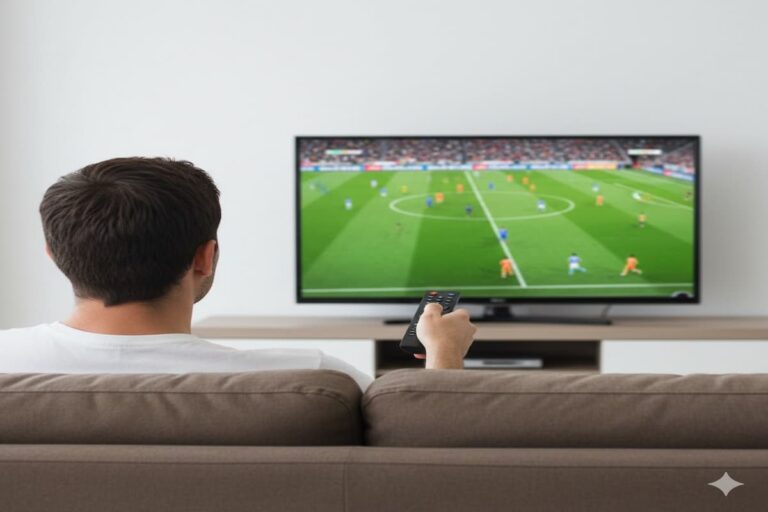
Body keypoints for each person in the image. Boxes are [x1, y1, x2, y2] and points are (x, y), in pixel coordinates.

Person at [0, 158, 477, 391]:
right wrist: (444, 357)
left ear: (53, 254)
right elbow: (421, 455)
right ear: (205, 258)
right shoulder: (314, 378)